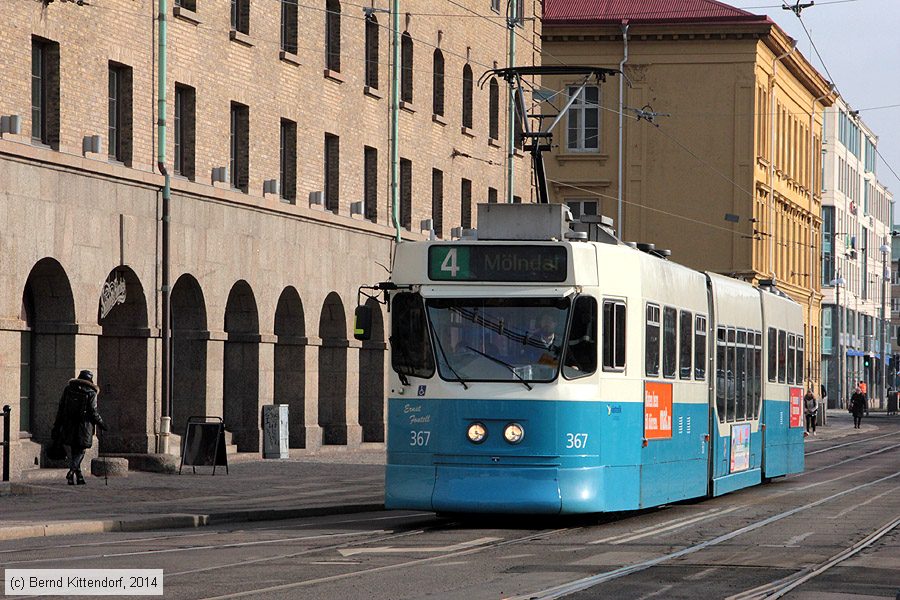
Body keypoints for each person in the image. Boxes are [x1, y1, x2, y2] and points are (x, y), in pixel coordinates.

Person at [51, 370, 107, 485]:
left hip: (69, 423)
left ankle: (79, 477)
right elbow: (93, 412)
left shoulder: (68, 389)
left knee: (74, 450)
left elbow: (61, 407)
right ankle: (71, 472)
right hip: (84, 426)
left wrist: (57, 425)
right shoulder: (91, 392)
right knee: (81, 451)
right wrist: (102, 423)